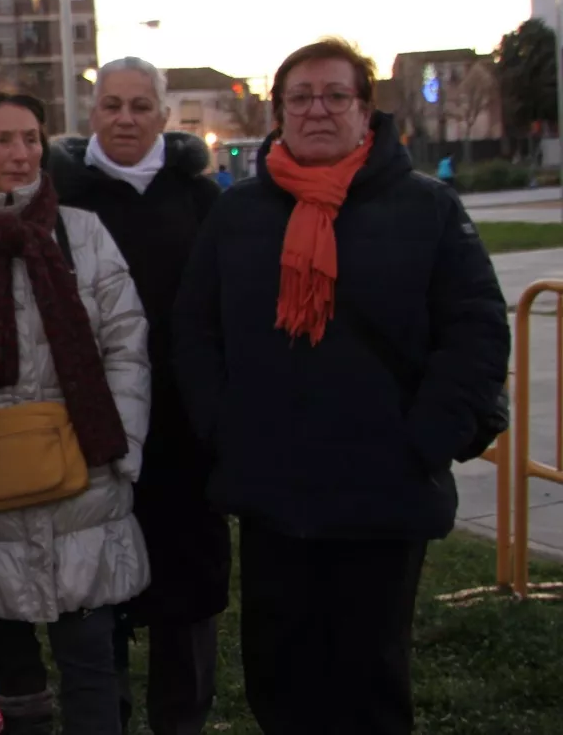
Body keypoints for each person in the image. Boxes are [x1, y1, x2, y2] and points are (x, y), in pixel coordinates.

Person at [174, 38, 510, 735]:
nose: (317, 110)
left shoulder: (427, 208)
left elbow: (476, 333)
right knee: (279, 676)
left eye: (335, 95)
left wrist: (426, 441)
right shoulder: (238, 214)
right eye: (300, 97)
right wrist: (223, 428)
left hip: (382, 490)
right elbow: (195, 329)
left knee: (369, 682)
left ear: (365, 110)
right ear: (279, 112)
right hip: (273, 489)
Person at [0, 92, 150, 735]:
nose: (22, 154)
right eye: (3, 140)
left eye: (32, 139)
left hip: (87, 478)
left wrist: (124, 447)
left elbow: (126, 344)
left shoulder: (83, 233)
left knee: (91, 659)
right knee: (12, 671)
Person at [51, 59, 228, 735]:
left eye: (140, 106)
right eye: (112, 105)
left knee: (188, 594)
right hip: (91, 434)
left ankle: (182, 720)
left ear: (163, 114)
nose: (125, 118)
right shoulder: (59, 201)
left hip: (186, 434)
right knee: (99, 599)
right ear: (92, 112)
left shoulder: (202, 200)